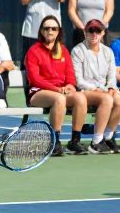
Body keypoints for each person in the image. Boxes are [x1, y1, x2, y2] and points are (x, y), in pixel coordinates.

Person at [24, 15, 89, 156]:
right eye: (47, 28)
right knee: (59, 99)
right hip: (38, 92)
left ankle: (74, 141)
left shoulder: (63, 50)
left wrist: (71, 85)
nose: (50, 31)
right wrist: (57, 90)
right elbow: (35, 79)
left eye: (54, 28)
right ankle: (54, 143)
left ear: (59, 31)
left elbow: (70, 74)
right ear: (41, 31)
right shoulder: (34, 51)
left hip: (61, 91)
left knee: (81, 98)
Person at [71, 19, 120, 154]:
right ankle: (95, 142)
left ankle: (107, 138)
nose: (94, 34)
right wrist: (95, 89)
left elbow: (112, 76)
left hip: (103, 90)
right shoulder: (78, 51)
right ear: (85, 33)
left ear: (103, 33)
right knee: (107, 99)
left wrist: (112, 88)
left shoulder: (108, 52)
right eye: (91, 30)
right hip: (83, 91)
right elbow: (78, 80)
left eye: (98, 31)